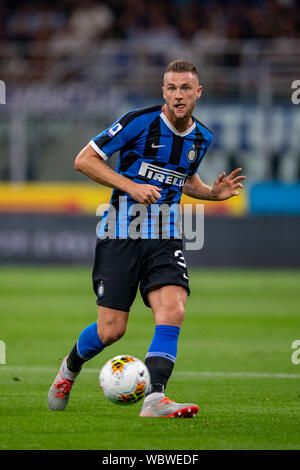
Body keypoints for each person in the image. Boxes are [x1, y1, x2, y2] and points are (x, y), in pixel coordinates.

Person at [48, 60, 245, 417]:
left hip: (166, 234)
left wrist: (212, 194)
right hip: (121, 231)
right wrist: (131, 186)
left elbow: (183, 180)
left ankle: (155, 398)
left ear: (197, 92)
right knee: (111, 331)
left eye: (185, 88)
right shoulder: (138, 121)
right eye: (171, 88)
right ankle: (69, 369)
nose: (178, 95)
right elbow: (85, 160)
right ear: (163, 91)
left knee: (173, 309)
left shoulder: (202, 137)